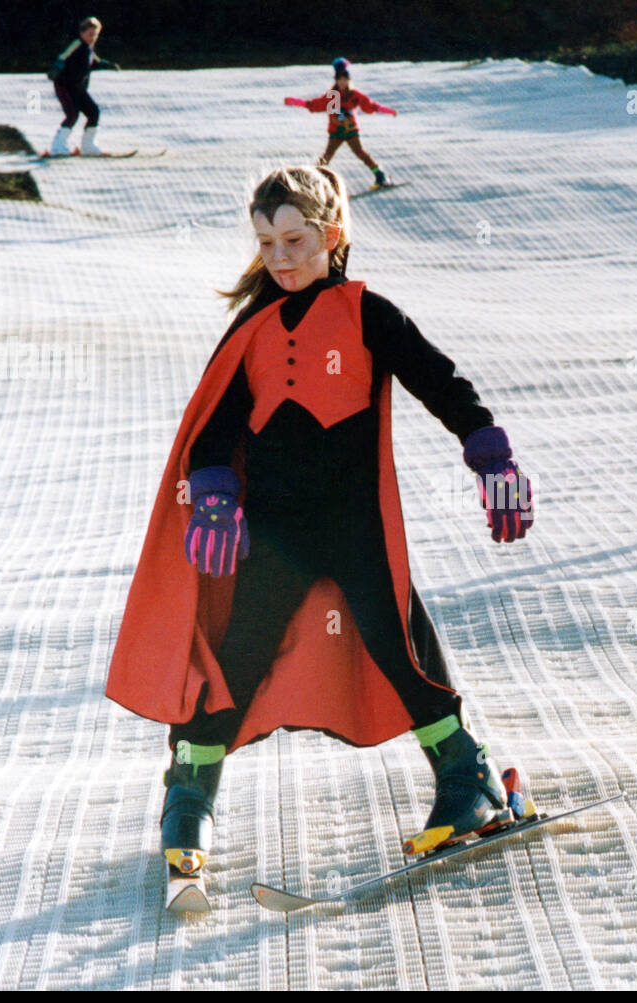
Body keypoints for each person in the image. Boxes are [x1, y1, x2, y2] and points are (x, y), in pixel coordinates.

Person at [105, 166, 535, 889]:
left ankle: (471, 782)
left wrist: (490, 455)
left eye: (294, 240)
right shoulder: (252, 331)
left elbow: (442, 384)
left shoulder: (371, 314)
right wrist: (212, 496)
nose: (279, 257)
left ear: (332, 237)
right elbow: (213, 432)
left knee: (398, 652)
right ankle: (187, 800)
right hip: (275, 537)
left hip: (357, 527)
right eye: (266, 242)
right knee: (236, 661)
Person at [285, 57, 397, 188]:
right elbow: (316, 104)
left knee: (361, 153)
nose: (342, 83)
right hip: (335, 132)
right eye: (340, 80)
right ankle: (312, 182)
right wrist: (297, 102)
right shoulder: (332, 95)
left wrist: (387, 110)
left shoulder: (354, 95)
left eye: (345, 80)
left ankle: (380, 175)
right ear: (336, 81)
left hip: (351, 130)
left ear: (349, 81)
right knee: (326, 157)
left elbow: (369, 105)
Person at [47, 16, 120, 157]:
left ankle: (88, 146)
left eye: (96, 35)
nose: (93, 37)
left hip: (78, 87)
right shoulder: (77, 44)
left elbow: (95, 62)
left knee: (93, 112)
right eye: (90, 34)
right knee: (72, 114)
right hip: (65, 86)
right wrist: (57, 68)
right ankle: (58, 147)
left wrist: (108, 65)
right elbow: (63, 56)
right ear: (82, 33)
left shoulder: (89, 49)